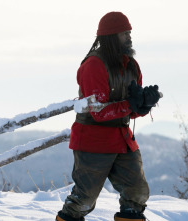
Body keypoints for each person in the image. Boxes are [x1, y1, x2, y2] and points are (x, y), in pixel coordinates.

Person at [56, 12, 160, 221]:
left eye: (129, 32)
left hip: (122, 139)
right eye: (124, 33)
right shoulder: (94, 65)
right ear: (111, 36)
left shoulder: (131, 65)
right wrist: (131, 104)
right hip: (93, 141)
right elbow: (99, 111)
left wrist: (144, 105)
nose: (129, 37)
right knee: (84, 200)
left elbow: (131, 110)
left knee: (137, 193)